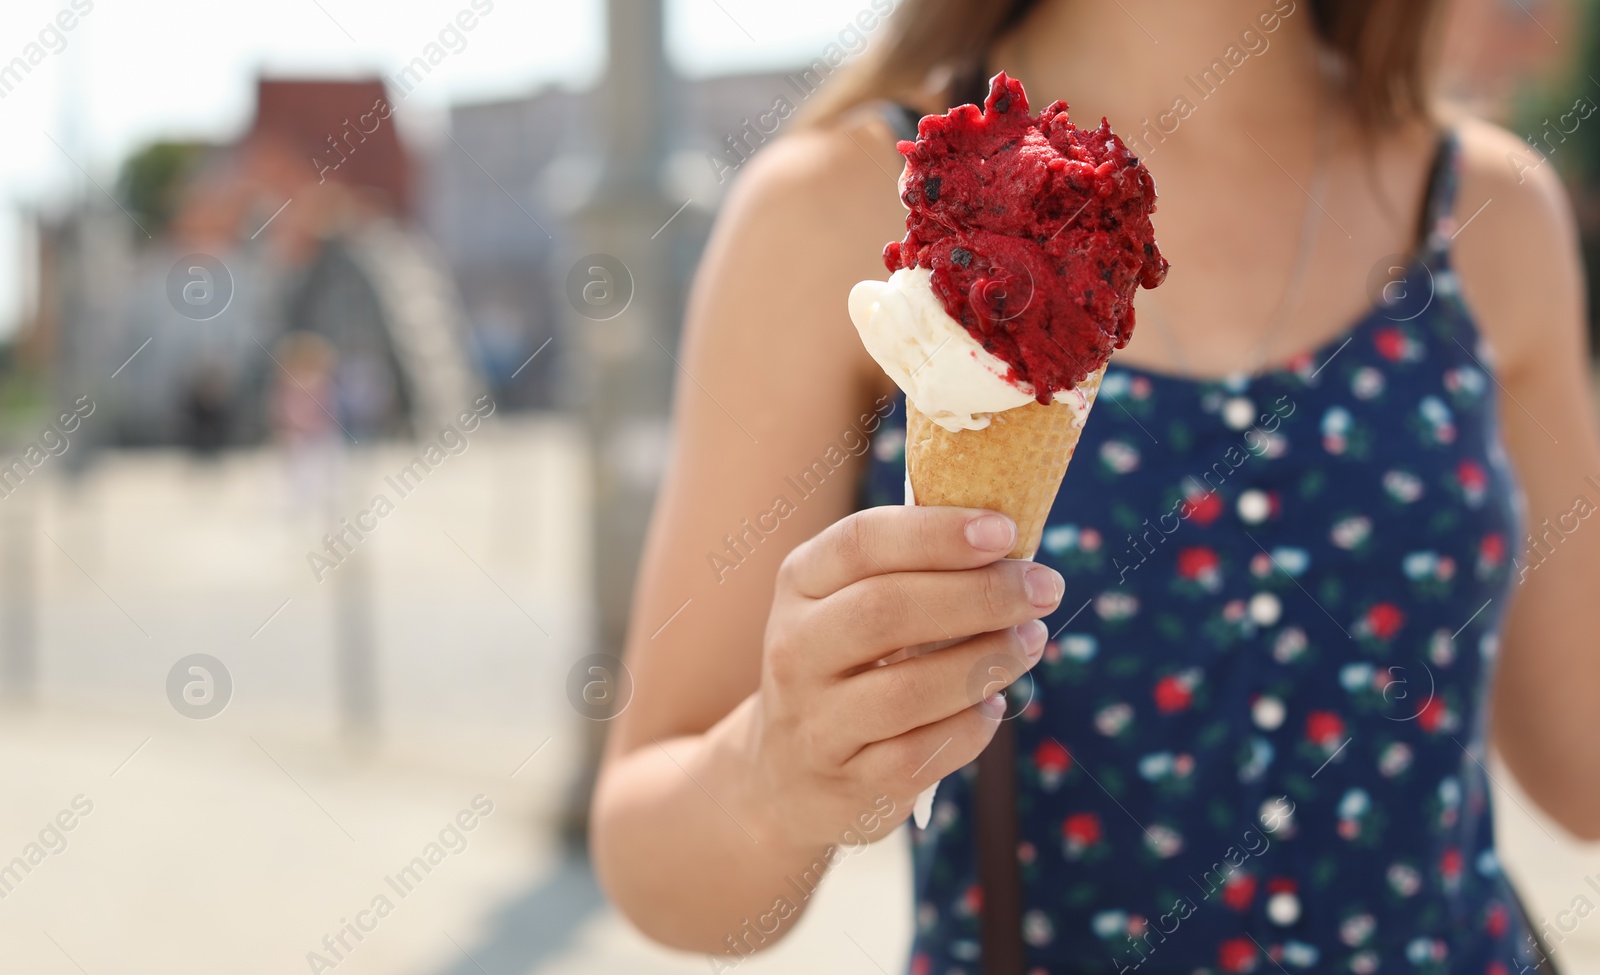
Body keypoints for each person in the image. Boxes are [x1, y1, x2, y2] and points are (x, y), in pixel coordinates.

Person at [591, 1, 1600, 971]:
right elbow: (652, 865)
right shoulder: (832, 207)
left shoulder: (1488, 211)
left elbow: (1582, 775)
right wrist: (776, 774)